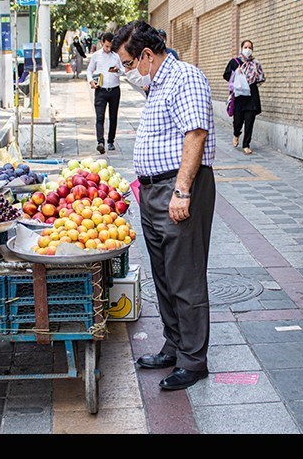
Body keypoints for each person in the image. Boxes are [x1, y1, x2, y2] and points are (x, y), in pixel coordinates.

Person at [112, 20, 216, 391]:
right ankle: (174, 345)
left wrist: (182, 191)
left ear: (146, 55)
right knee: (164, 275)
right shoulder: (158, 83)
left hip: (179, 188)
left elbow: (196, 133)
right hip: (155, 191)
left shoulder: (185, 77)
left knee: (185, 276)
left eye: (127, 64)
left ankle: (193, 360)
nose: (127, 73)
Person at [223, 40, 265, 155]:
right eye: (245, 47)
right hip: (239, 96)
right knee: (238, 121)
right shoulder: (235, 62)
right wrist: (236, 73)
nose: (248, 49)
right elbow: (226, 75)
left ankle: (246, 144)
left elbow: (261, 78)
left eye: (250, 47)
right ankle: (236, 134)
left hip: (251, 95)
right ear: (241, 48)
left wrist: (251, 80)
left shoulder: (256, 63)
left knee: (250, 121)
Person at [86, 32, 125, 154]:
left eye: (110, 46)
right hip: (100, 90)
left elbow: (123, 71)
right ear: (102, 43)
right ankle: (100, 142)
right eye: (106, 46)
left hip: (114, 90)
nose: (108, 49)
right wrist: (91, 81)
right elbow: (89, 70)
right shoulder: (96, 56)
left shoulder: (116, 56)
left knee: (113, 117)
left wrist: (117, 70)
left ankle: (111, 141)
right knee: (100, 117)